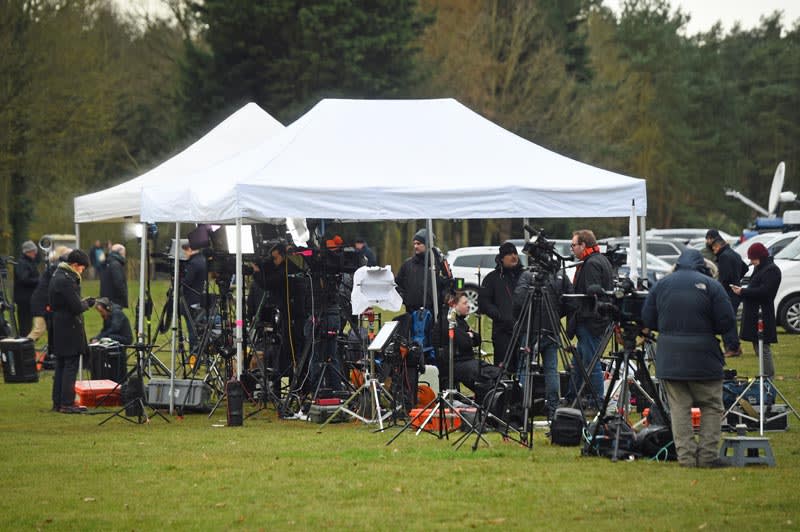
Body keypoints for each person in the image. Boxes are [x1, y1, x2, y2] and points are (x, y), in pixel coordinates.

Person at [642, 248, 736, 468]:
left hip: (669, 357)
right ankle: (707, 457)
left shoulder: (661, 285)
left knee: (679, 409)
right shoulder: (712, 285)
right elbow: (726, 320)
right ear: (702, 266)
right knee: (711, 406)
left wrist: (667, 329)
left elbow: (647, 317)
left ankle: (686, 458)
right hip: (705, 357)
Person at [514, 264, 575, 420]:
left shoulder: (527, 276)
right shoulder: (559, 276)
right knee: (551, 369)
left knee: (524, 367)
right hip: (551, 328)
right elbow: (570, 301)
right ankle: (553, 407)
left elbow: (519, 300)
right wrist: (556, 313)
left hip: (530, 329)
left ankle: (521, 404)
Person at [567, 229, 613, 409]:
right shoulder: (601, 260)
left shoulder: (591, 264)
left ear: (583, 245)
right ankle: (572, 395)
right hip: (594, 320)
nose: (572, 249)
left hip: (590, 321)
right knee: (578, 361)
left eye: (573, 245)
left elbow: (591, 294)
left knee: (591, 362)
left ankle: (597, 401)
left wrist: (582, 316)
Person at [49, 250, 94, 414]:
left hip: (59, 325)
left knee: (61, 364)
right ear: (75, 265)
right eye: (82, 268)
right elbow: (75, 307)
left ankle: (58, 401)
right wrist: (87, 303)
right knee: (70, 364)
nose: (82, 271)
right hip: (69, 326)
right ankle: (67, 402)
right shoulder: (67, 280)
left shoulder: (57, 275)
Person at [731, 243, 780, 377]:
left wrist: (743, 292)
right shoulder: (760, 268)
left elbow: (765, 292)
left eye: (753, 258)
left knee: (763, 347)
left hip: (762, 313)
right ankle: (764, 374)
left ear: (760, 256)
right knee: (757, 346)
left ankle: (768, 376)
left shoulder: (772, 270)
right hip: (755, 313)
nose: (751, 261)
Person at [446, 293, 502, 403]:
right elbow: (464, 342)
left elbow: (477, 339)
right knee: (484, 376)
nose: (468, 306)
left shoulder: (462, 322)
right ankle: (488, 403)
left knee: (497, 373)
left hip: (469, 361)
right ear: (454, 305)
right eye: (465, 303)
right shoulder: (449, 321)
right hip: (458, 363)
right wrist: (469, 336)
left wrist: (470, 336)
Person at [478, 242, 524, 368]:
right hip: (502, 332)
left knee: (523, 367)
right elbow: (484, 302)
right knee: (503, 368)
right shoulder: (492, 278)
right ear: (502, 258)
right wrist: (499, 315)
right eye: (509, 254)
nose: (513, 256)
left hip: (523, 330)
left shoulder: (524, 276)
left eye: (515, 253)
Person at [708, 230, 748, 357]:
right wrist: (737, 279)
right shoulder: (734, 254)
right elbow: (745, 268)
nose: (714, 252)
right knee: (731, 319)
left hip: (728, 293)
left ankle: (732, 348)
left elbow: (724, 278)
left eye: (714, 249)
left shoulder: (724, 257)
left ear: (718, 246)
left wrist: (718, 290)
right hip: (736, 290)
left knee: (726, 320)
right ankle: (735, 346)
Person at [395, 228, 451, 313]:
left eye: (419, 243)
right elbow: (397, 284)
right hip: (411, 312)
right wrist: (405, 298)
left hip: (434, 312)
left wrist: (442, 298)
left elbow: (447, 283)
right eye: (414, 243)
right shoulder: (407, 265)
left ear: (427, 244)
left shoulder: (438, 264)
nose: (415, 246)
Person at [28, 246, 71, 344]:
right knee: (39, 329)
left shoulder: (55, 266)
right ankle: (21, 348)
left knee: (51, 330)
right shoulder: (57, 267)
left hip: (43, 301)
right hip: (41, 302)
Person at [181, 243, 208, 354]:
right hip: (200, 298)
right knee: (199, 327)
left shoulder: (193, 264)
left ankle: (194, 353)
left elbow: (187, 282)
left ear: (190, 249)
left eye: (185, 251)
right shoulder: (203, 260)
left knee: (192, 327)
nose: (185, 254)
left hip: (191, 300)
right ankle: (200, 351)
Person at [14, 240, 40, 336]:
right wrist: (38, 280)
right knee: (25, 324)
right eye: (33, 251)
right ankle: (23, 343)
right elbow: (23, 279)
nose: (35, 253)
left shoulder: (29, 262)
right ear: (28, 252)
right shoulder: (22, 263)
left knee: (28, 323)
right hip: (24, 298)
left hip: (28, 297)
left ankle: (26, 343)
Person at [99, 243, 128, 308]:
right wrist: (124, 295)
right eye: (124, 253)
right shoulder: (116, 264)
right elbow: (119, 283)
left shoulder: (107, 262)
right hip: (115, 300)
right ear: (120, 252)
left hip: (106, 299)